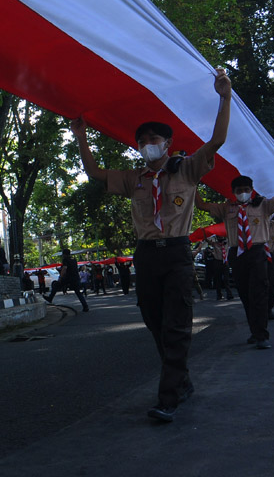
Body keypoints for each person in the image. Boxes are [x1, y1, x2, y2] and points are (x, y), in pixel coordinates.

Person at [71, 66, 231, 422]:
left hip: (175, 253)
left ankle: (168, 397)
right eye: (142, 141)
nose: (147, 145)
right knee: (154, 321)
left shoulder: (187, 169)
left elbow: (217, 141)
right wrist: (81, 135)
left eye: (154, 139)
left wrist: (225, 96)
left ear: (168, 143)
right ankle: (182, 379)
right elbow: (95, 172)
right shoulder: (134, 179)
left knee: (176, 323)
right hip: (145, 256)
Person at [198, 159, 274, 350]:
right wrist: (193, 180)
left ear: (252, 190)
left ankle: (262, 335)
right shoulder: (227, 208)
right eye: (239, 190)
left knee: (258, 292)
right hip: (237, 253)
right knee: (244, 294)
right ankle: (255, 330)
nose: (243, 193)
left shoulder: (263, 206)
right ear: (233, 192)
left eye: (246, 189)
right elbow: (201, 205)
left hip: (258, 252)